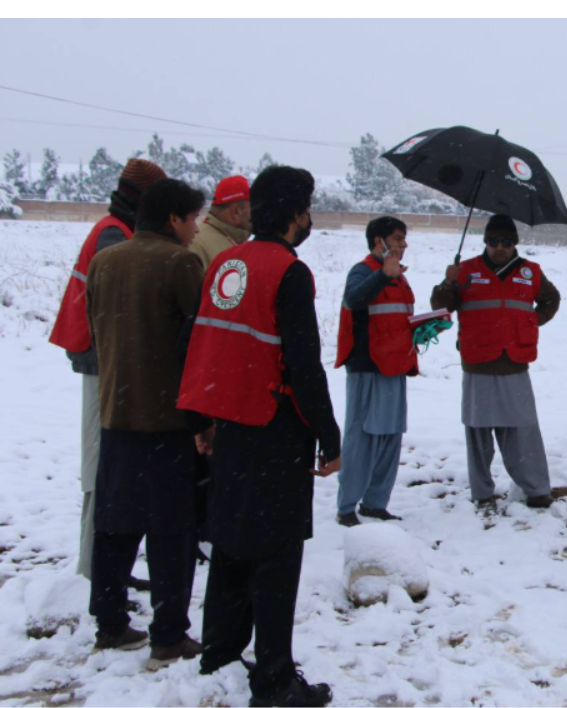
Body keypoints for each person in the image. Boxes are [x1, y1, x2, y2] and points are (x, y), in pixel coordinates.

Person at [179, 166, 340, 708]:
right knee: (275, 557)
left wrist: (202, 419)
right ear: (297, 214)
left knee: (229, 545)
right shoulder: (289, 272)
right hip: (275, 431)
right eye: (308, 208)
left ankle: (219, 654)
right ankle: (273, 679)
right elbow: (303, 364)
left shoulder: (228, 263)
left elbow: (203, 344)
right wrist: (329, 435)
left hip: (230, 430)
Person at [85, 178, 206, 670]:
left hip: (116, 412)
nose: (197, 227)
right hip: (168, 418)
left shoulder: (104, 260)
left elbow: (96, 326)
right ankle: (169, 635)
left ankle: (110, 622)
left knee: (114, 526)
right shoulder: (179, 263)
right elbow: (199, 341)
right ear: (174, 219)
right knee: (171, 530)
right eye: (194, 218)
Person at [48, 157, 166, 582]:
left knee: (106, 460)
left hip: (102, 356)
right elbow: (117, 306)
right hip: (103, 360)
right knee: (101, 461)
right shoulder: (114, 234)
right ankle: (95, 567)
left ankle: (101, 565)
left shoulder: (114, 228)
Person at [430, 214, 560, 508]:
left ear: (515, 243)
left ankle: (536, 489)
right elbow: (440, 307)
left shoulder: (531, 272)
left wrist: (531, 322)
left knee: (523, 430)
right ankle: (483, 493)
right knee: (478, 434)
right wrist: (447, 283)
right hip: (478, 363)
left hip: (515, 363)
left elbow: (552, 299)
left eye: (506, 241)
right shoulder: (464, 271)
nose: (499, 247)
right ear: (484, 241)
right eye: (493, 241)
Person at [334, 216, 415, 527]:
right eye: (397, 238)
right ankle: (347, 508)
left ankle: (375, 503)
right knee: (362, 439)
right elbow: (354, 300)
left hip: (395, 367)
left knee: (390, 438)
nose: (403, 244)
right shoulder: (364, 270)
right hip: (367, 369)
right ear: (378, 242)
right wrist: (382, 275)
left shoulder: (400, 277)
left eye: (404, 239)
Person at [188, 175, 252, 270]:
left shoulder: (237, 239)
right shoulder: (198, 244)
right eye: (252, 209)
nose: (256, 215)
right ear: (236, 211)